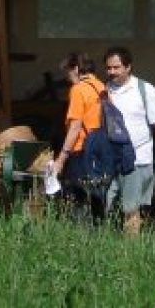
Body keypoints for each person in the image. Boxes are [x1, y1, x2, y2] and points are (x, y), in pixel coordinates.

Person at [102, 45, 155, 235]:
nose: (112, 72)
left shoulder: (145, 90)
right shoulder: (103, 91)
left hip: (136, 159)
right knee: (107, 207)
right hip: (109, 160)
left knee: (131, 209)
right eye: (109, 68)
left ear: (128, 67)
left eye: (116, 67)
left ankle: (130, 255)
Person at [50, 51, 107, 215]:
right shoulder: (101, 87)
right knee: (97, 202)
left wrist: (61, 159)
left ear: (75, 68)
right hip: (100, 151)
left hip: (81, 151)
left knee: (77, 203)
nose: (67, 77)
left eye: (67, 72)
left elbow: (75, 127)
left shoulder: (78, 89)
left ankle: (77, 238)